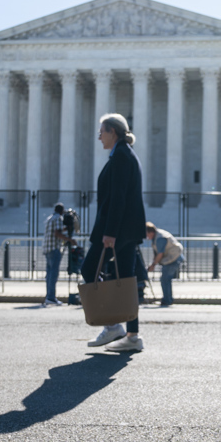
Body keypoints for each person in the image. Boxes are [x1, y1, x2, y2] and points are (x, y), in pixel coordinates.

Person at [83, 113, 147, 352]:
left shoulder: (120, 156)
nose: (99, 136)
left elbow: (117, 198)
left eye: (102, 131)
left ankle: (112, 325)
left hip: (116, 230)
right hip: (127, 230)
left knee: (89, 269)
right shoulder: (125, 154)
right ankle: (132, 335)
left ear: (113, 132)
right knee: (126, 281)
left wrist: (109, 232)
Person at [42, 203, 75, 306]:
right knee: (53, 274)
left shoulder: (50, 218)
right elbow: (57, 233)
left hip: (47, 248)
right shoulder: (58, 218)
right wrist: (70, 239)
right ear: (61, 211)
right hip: (54, 249)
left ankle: (49, 296)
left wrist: (66, 229)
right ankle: (51, 297)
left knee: (49, 274)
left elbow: (56, 231)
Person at [146, 222, 184, 307]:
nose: (147, 237)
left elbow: (160, 254)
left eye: (147, 234)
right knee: (166, 279)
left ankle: (167, 300)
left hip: (173, 258)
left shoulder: (159, 238)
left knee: (165, 279)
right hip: (173, 257)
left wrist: (153, 265)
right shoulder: (158, 235)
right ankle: (168, 299)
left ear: (150, 232)